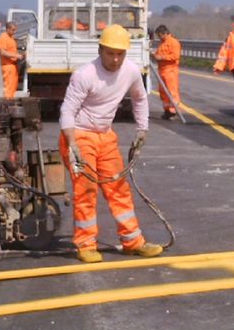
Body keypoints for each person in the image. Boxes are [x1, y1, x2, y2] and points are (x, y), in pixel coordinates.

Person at [59, 24, 165, 263]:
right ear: (100, 50)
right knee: (86, 190)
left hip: (105, 136)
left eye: (120, 53)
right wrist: (72, 144)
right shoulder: (85, 75)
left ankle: (133, 242)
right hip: (79, 135)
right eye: (110, 53)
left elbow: (140, 99)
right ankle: (85, 244)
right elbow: (67, 110)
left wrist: (142, 129)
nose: (115, 59)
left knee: (118, 189)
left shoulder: (131, 71)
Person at [151, 24, 182, 120]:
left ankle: (173, 111)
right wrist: (154, 55)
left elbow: (175, 56)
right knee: (163, 92)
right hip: (162, 70)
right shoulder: (163, 43)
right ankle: (167, 110)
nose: (158, 37)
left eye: (159, 35)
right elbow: (159, 54)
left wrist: (162, 57)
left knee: (172, 92)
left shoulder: (173, 42)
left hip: (170, 70)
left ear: (163, 33)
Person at [0, 21, 23, 99]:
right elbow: (3, 52)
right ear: (7, 29)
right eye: (13, 30)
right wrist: (16, 55)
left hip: (13, 66)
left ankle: (10, 101)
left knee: (12, 87)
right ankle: (7, 104)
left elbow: (11, 50)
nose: (14, 32)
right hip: (7, 66)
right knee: (8, 88)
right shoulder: (3, 37)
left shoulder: (11, 37)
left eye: (15, 30)